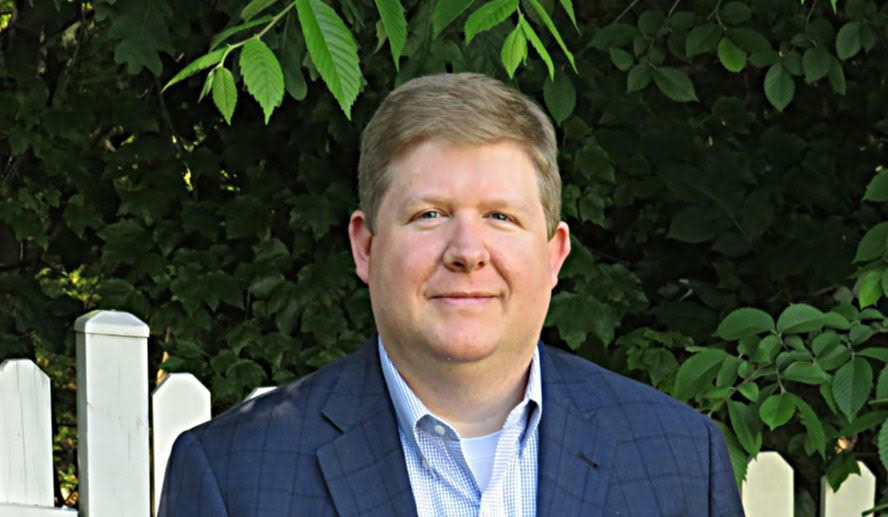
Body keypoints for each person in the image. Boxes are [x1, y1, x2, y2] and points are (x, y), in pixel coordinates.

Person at [159, 73, 744, 516]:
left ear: (554, 254)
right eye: (430, 214)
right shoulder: (235, 475)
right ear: (365, 246)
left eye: (501, 216)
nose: (467, 251)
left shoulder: (679, 460)